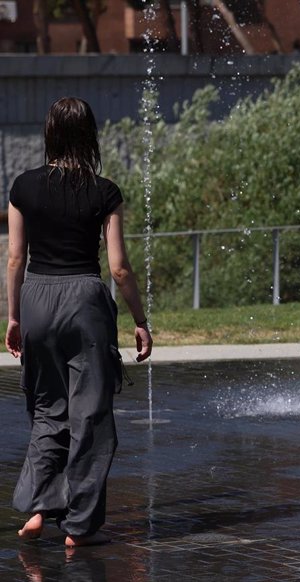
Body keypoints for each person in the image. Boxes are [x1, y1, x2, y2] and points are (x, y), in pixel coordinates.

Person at [5, 97, 152, 546]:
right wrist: (140, 320)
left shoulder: (23, 187)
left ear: (49, 133)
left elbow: (15, 258)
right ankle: (79, 526)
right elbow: (120, 268)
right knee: (90, 415)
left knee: (48, 409)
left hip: (36, 298)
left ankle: (38, 507)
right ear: (90, 135)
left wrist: (13, 316)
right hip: (83, 298)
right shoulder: (104, 191)